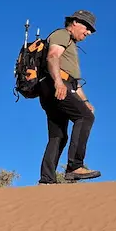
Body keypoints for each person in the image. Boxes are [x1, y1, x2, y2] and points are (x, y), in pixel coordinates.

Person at [38, 10, 100, 184]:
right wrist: (58, 82)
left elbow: (73, 81)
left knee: (58, 135)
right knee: (85, 117)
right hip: (55, 85)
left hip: (59, 86)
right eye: (87, 27)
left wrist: (85, 101)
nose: (88, 32)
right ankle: (75, 166)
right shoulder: (62, 35)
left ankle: (46, 179)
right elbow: (52, 57)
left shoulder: (70, 43)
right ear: (75, 22)